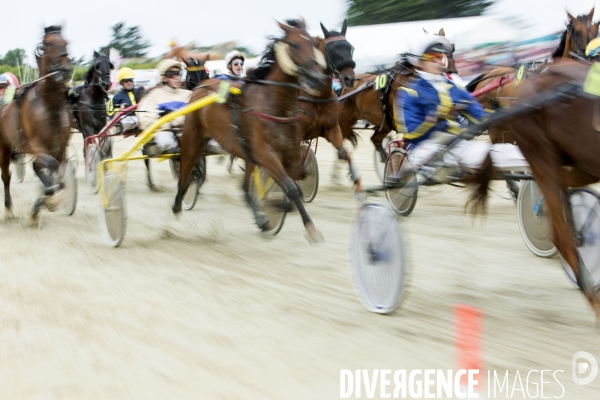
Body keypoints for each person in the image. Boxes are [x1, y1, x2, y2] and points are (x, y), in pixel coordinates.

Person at [395, 34, 528, 176]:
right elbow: (410, 131)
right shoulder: (408, 92)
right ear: (419, 62)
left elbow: (481, 118)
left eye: (441, 56)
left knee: (514, 152)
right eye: (432, 57)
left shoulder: (455, 89)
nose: (439, 61)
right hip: (425, 149)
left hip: (458, 146)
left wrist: (504, 111)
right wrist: (435, 115)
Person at [137, 59, 191, 155]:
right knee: (164, 138)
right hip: (166, 134)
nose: (177, 77)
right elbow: (146, 121)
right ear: (164, 78)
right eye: (172, 74)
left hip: (186, 133)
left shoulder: (189, 94)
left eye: (179, 73)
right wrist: (175, 123)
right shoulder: (153, 96)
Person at [107, 67, 139, 132]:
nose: (129, 82)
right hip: (127, 120)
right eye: (126, 81)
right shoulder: (116, 97)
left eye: (131, 80)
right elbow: (111, 115)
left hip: (140, 118)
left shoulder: (139, 91)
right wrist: (120, 110)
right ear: (121, 82)